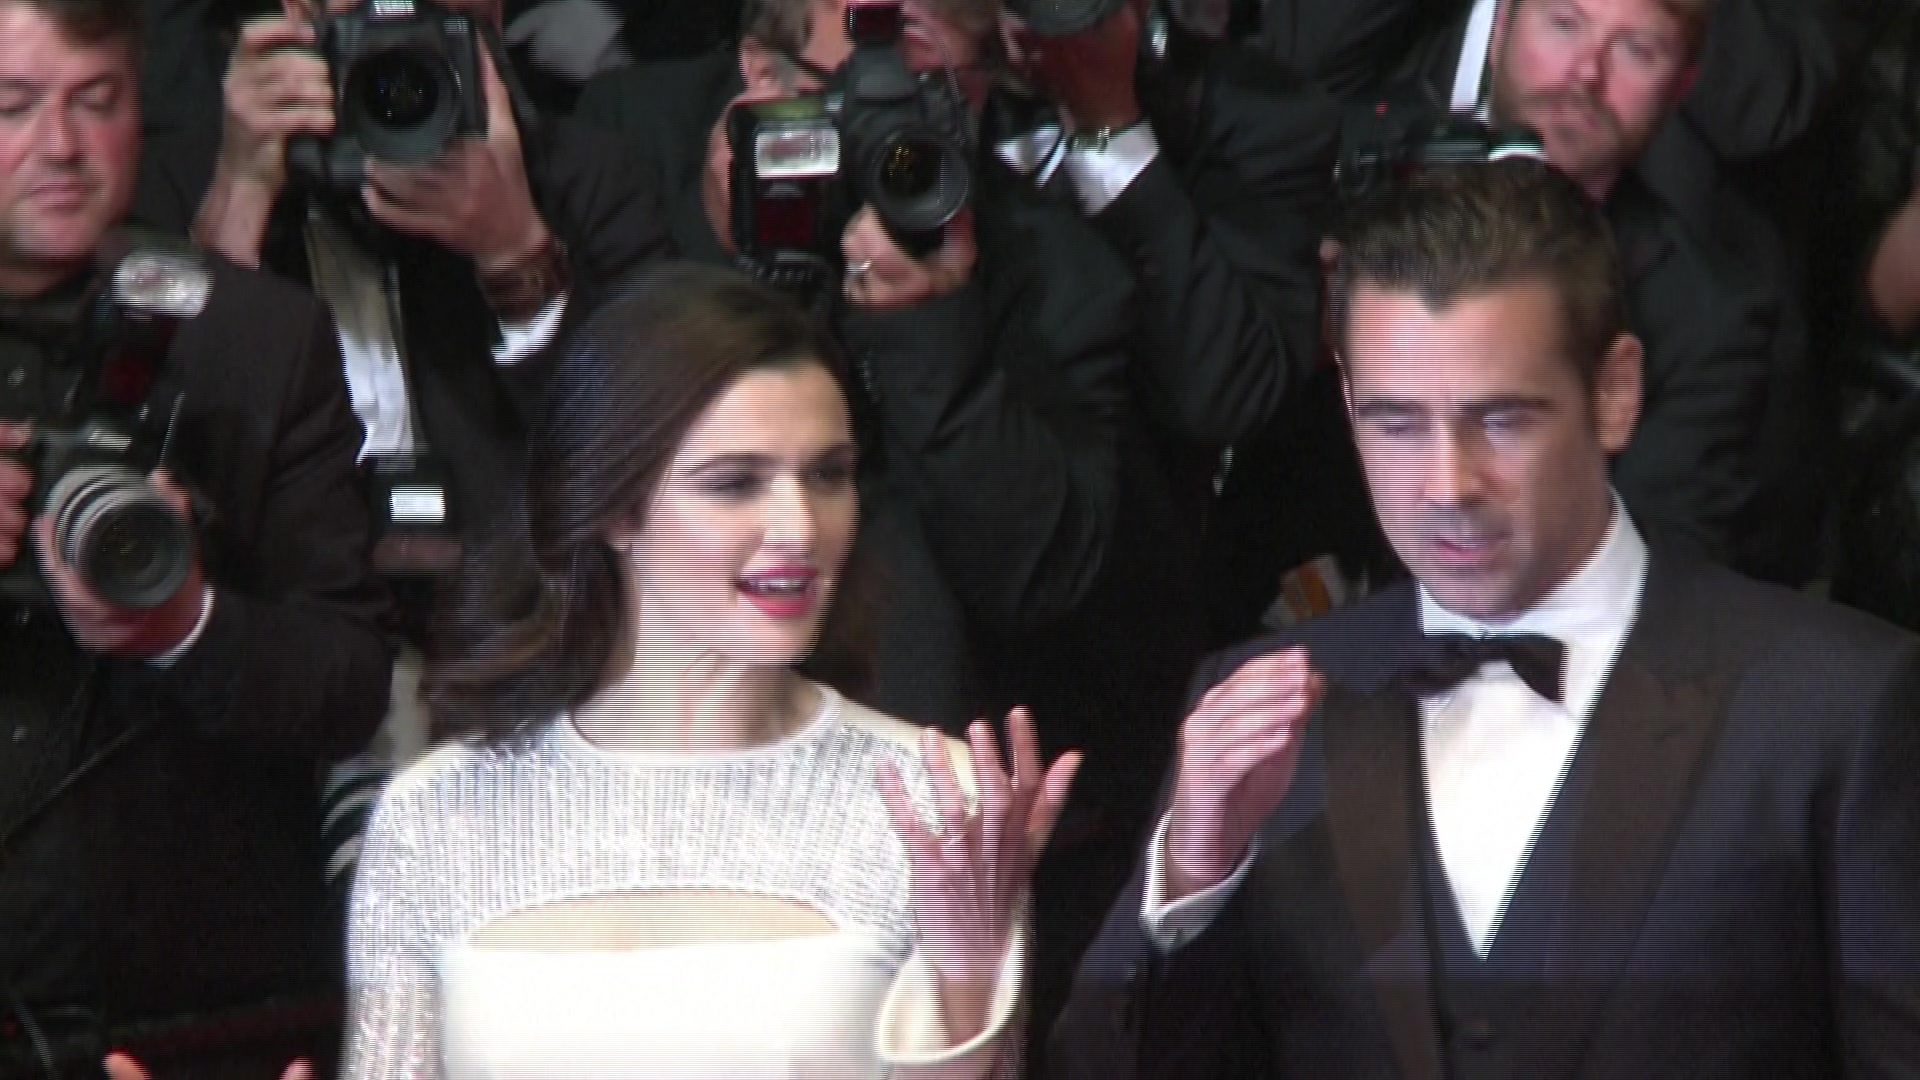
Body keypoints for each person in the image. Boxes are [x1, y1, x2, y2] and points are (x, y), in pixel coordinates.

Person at [1049, 159, 1920, 1079]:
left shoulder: (1835, 710)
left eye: (1501, 420)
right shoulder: (1249, 705)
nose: (1448, 485)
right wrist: (1191, 874)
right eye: (1397, 424)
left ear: (1615, 392)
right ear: (1347, 405)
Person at [339, 262, 1080, 1080]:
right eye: (735, 484)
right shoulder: (435, 818)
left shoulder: (937, 810)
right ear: (613, 508)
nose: (800, 527)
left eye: (827, 475)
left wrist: (970, 982)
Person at [0, 0, 392, 1071]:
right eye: (14, 107)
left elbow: (349, 684)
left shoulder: (257, 340)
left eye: (97, 102)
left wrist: (186, 625)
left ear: (144, 109)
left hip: (202, 1013)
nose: (62, 146)